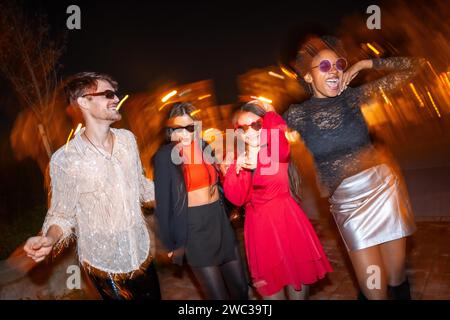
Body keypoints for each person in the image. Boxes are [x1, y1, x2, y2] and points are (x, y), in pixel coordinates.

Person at [283, 35, 422, 299]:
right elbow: (257, 131)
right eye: (324, 67)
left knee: (396, 277)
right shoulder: (298, 114)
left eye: (339, 64)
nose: (333, 71)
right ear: (309, 78)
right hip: (348, 207)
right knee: (374, 290)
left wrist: (364, 64)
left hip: (384, 192)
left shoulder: (352, 97)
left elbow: (415, 66)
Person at [23, 72, 161, 300]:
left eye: (115, 94)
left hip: (141, 252)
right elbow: (62, 215)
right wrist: (48, 238)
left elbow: (142, 187)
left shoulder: (127, 140)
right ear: (84, 102)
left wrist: (179, 187)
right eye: (108, 94)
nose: (116, 99)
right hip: (103, 263)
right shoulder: (65, 159)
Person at [223, 100, 332, 300]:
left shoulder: (276, 151)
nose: (250, 131)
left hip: (288, 225)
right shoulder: (237, 160)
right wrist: (238, 171)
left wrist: (271, 112)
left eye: (256, 124)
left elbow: (280, 140)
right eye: (242, 128)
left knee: (297, 289)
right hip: (260, 233)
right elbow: (237, 198)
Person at [152, 102, 248, 300]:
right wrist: (170, 243)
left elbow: (217, 180)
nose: (185, 134)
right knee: (217, 296)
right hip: (194, 227)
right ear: (171, 130)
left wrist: (225, 168)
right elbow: (163, 203)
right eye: (178, 129)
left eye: (189, 127)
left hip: (219, 220)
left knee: (240, 289)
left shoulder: (204, 146)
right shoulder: (165, 156)